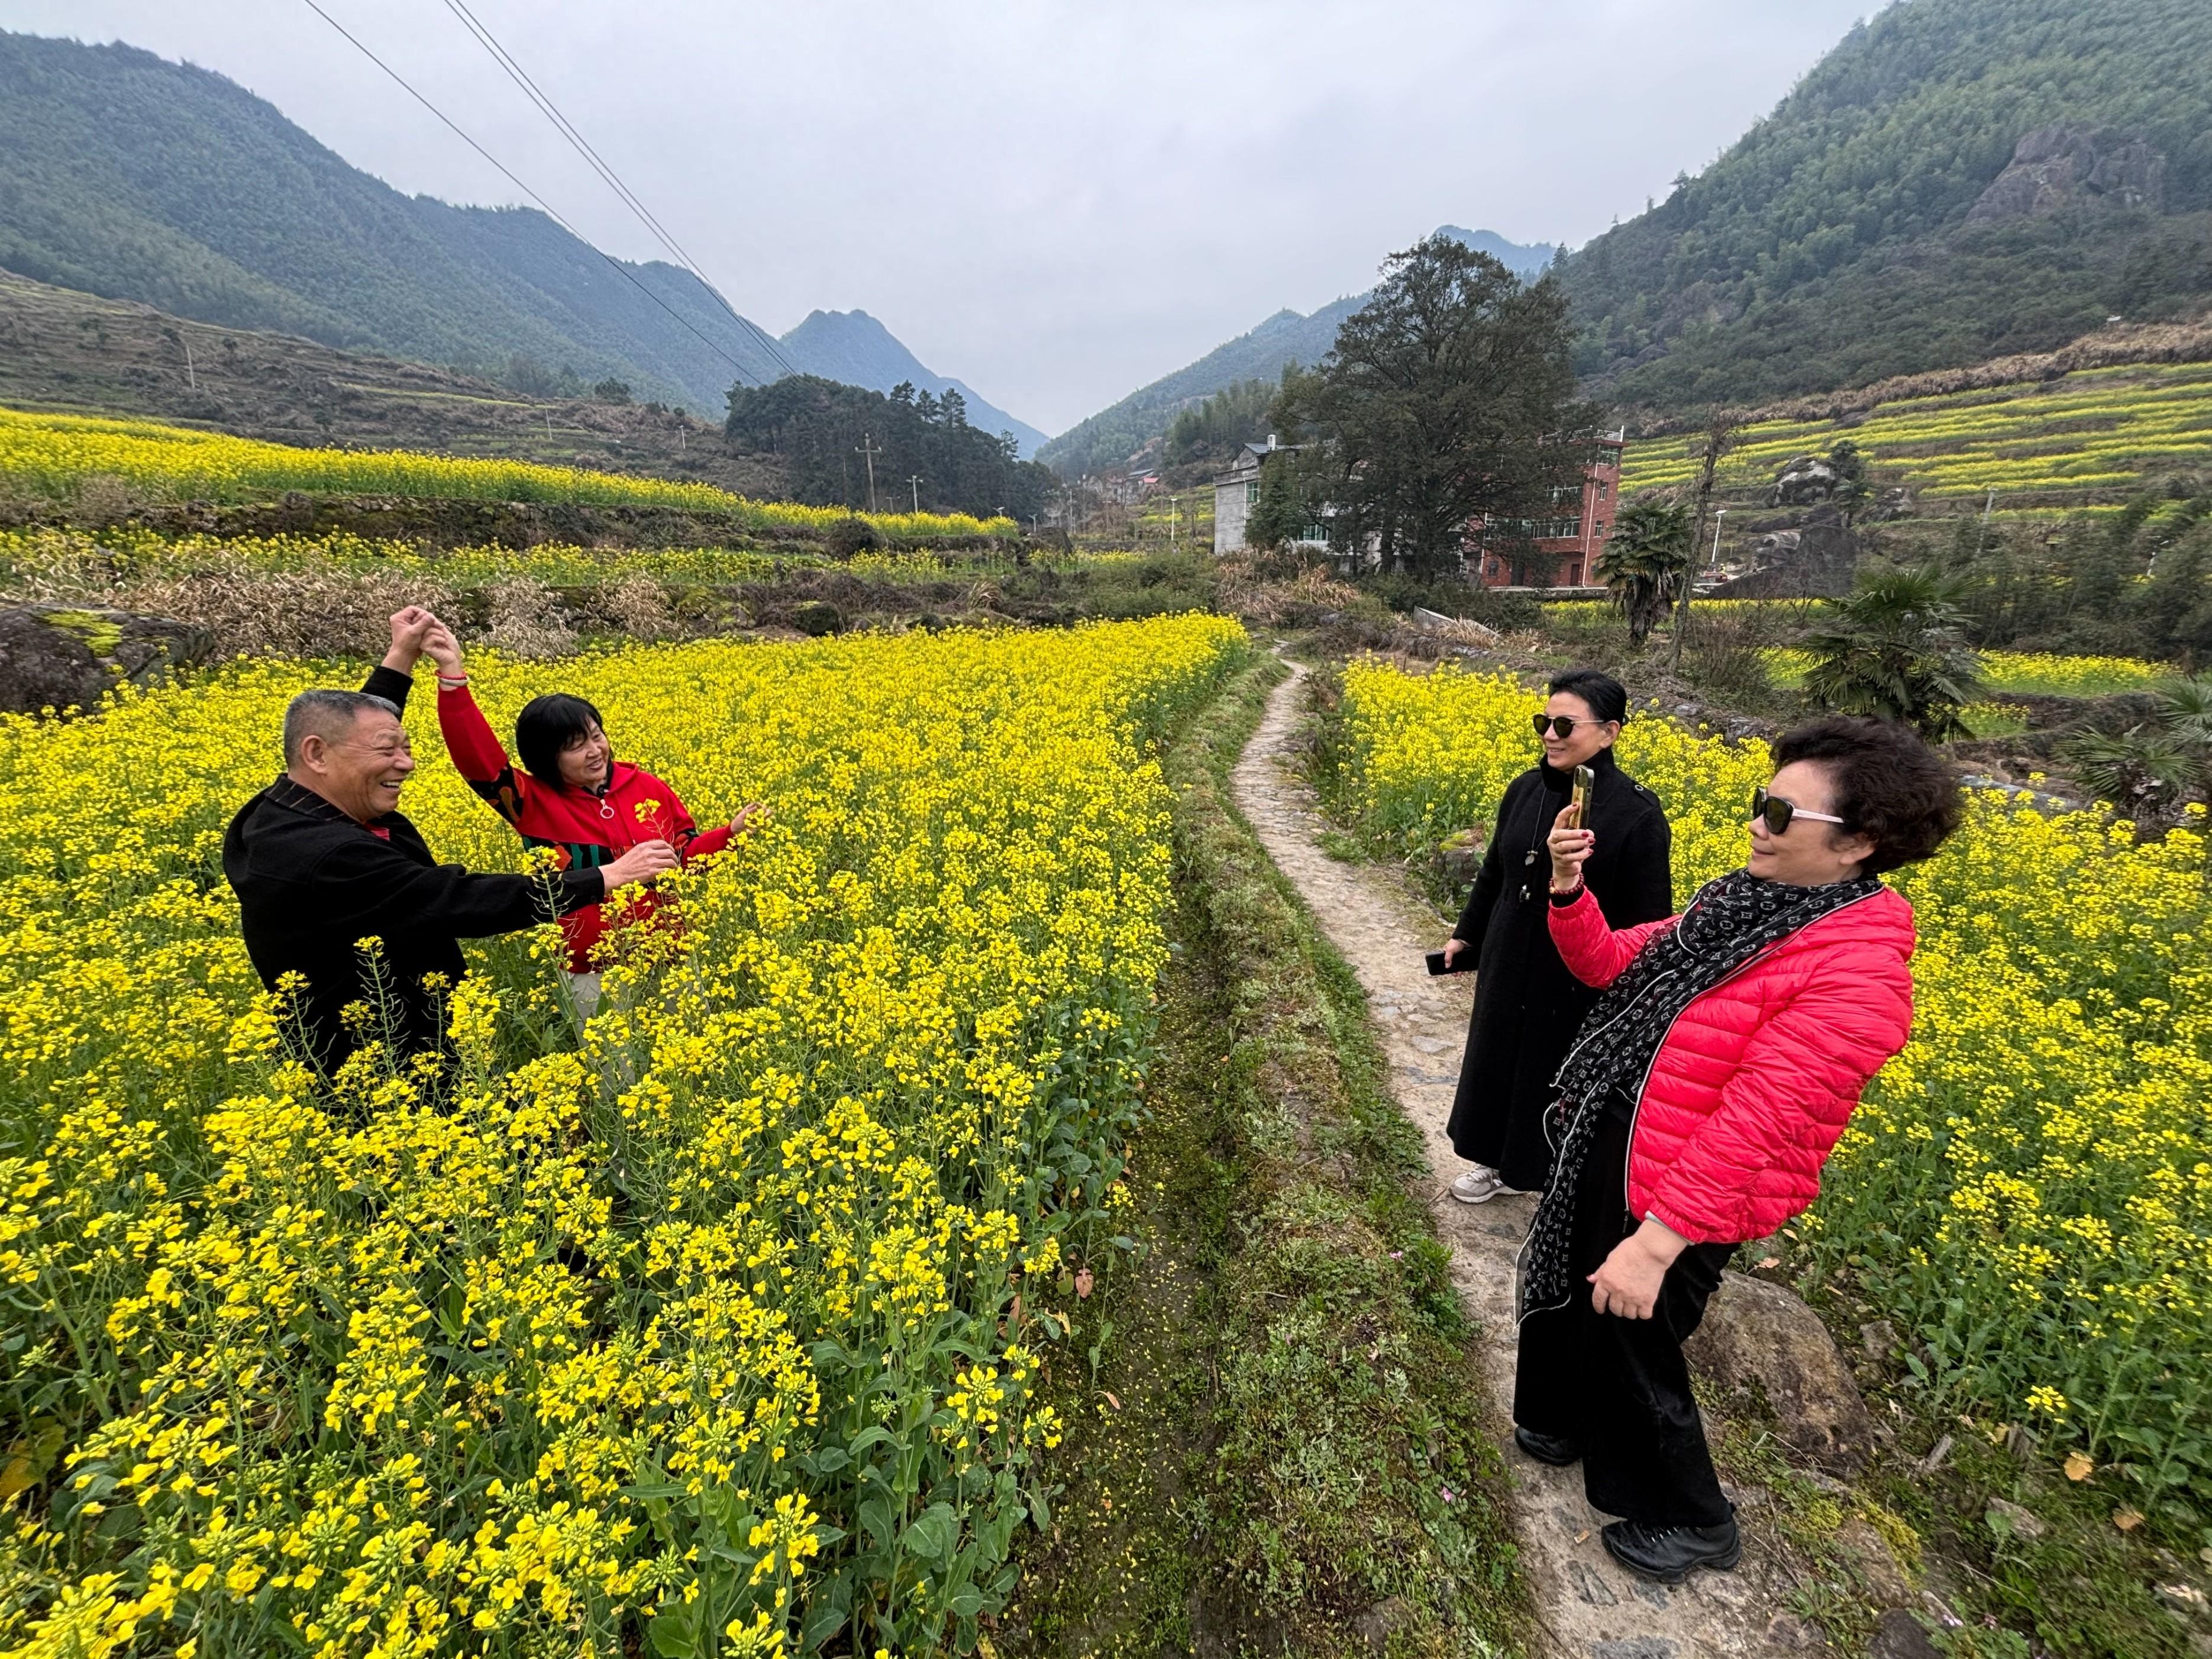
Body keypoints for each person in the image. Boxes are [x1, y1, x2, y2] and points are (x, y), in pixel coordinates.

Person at [1513, 714, 1961, 1584]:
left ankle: (1692, 1517)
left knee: (1633, 1343)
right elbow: (1610, 966)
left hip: (1685, 1189)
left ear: (1857, 844)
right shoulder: (1739, 909)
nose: (1757, 824)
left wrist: (1654, 1244)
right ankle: (1564, 1420)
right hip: (1624, 1136)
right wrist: (1570, 892)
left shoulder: (1855, 969)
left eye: (1783, 816)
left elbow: (1759, 1126)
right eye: (1762, 803)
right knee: (1577, 1299)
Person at [223, 609, 679, 1076]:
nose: (405, 764)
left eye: (404, 746)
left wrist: (401, 656)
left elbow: (352, 727)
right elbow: (456, 900)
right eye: (388, 751)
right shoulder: (325, 854)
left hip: (404, 1033)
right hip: (378, 1058)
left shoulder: (283, 805)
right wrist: (607, 877)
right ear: (316, 754)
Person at [419, 625, 757, 1018]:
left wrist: (729, 836)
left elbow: (682, 858)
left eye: (596, 736)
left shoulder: (646, 787)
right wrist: (453, 679)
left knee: (691, 1055)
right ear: (546, 759)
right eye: (575, 746)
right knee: (616, 1072)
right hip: (591, 969)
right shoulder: (532, 804)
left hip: (670, 954)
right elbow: (479, 762)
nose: (594, 751)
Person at [1441, 669, 1673, 1203]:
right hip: (1507, 952)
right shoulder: (1524, 789)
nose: (1550, 734)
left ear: (1609, 732)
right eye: (1543, 722)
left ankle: (1542, 1174)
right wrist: (1466, 936)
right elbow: (1494, 873)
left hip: (1573, 974)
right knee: (1494, 1056)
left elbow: (1648, 920)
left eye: (1565, 724)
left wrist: (1630, 999)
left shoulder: (1637, 815)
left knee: (1550, 1071)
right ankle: (1489, 1160)